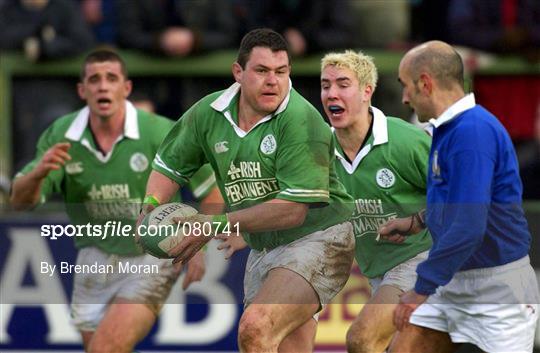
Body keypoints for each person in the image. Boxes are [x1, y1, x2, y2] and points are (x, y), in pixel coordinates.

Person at [139, 28, 355, 352]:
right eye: (262, 71)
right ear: (238, 73)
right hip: (264, 245)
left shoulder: (301, 120)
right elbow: (169, 166)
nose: (273, 81)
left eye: (281, 72)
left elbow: (293, 210)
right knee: (280, 345)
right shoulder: (208, 113)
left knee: (256, 328)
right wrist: (149, 207)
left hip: (320, 237)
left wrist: (214, 224)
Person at [10, 49, 220, 353]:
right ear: (82, 90)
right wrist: (38, 174)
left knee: (104, 349)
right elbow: (20, 202)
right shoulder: (62, 135)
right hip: (94, 259)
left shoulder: (159, 132)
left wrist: (198, 241)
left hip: (152, 256)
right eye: (94, 79)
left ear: (126, 88)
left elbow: (213, 189)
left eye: (111, 78)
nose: (103, 86)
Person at [379, 41, 540, 353]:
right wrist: (417, 221)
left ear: (425, 83)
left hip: (497, 289)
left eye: (406, 86)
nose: (404, 98)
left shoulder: (472, 133)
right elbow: (457, 201)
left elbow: (469, 225)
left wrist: (420, 288)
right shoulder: (450, 129)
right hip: (452, 280)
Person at [319, 50, 432, 353]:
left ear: (367, 91)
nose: (332, 93)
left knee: (362, 338)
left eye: (343, 84)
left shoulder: (405, 140)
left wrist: (416, 222)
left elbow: (460, 195)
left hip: (423, 258)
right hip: (376, 271)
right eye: (325, 85)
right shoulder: (319, 150)